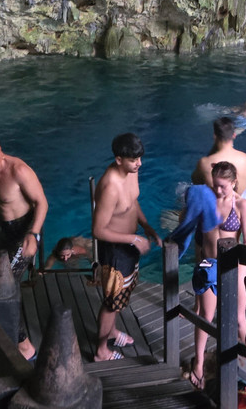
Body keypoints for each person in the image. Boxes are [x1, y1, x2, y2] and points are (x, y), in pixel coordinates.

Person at [0, 129, 49, 359]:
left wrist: (34, 235)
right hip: (2, 232)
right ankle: (4, 333)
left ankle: (25, 347)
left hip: (24, 233)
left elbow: (42, 203)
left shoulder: (19, 171)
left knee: (3, 289)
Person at [91, 132, 162, 361]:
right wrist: (133, 239)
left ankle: (111, 332)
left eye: (140, 158)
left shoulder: (132, 170)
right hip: (115, 250)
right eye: (133, 160)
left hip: (130, 242)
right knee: (112, 302)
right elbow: (98, 230)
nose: (139, 164)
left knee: (121, 295)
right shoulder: (110, 186)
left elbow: (132, 202)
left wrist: (146, 226)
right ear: (119, 159)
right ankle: (101, 351)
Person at [189, 161, 246, 389]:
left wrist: (245, 272)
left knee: (238, 319)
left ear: (234, 183)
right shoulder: (206, 200)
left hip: (234, 266)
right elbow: (194, 232)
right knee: (205, 315)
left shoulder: (242, 205)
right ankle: (198, 363)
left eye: (223, 186)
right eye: (215, 185)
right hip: (209, 264)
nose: (217, 190)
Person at [191, 117, 246, 195]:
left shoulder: (204, 162)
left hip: (215, 205)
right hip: (237, 203)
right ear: (234, 135)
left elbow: (195, 183)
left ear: (215, 136)